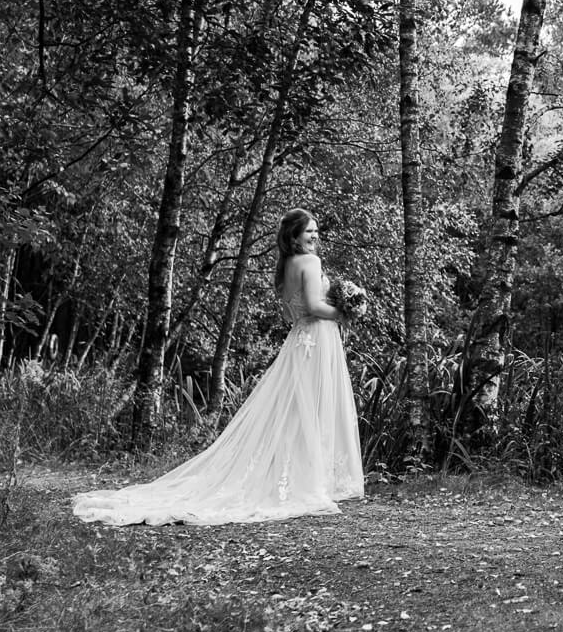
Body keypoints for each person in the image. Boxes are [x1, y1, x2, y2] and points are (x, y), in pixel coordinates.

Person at [74, 209, 364, 525]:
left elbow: (290, 314)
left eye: (316, 230)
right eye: (309, 231)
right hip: (317, 340)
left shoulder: (286, 268)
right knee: (310, 408)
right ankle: (309, 480)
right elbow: (312, 307)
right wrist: (345, 312)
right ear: (294, 236)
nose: (315, 236)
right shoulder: (311, 262)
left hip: (299, 340)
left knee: (297, 410)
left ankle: (299, 476)